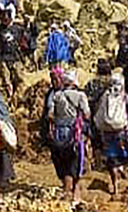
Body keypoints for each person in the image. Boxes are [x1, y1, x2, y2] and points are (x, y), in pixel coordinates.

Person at [42, 69, 90, 203]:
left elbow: (50, 115)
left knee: (63, 160)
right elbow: (87, 114)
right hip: (74, 134)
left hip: (59, 133)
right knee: (76, 161)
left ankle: (68, 189)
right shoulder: (80, 96)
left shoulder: (56, 96)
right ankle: (73, 191)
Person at [95, 72, 128, 195]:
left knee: (111, 158)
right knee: (124, 153)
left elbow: (98, 112)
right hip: (121, 131)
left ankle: (115, 186)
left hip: (106, 133)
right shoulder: (124, 96)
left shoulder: (105, 95)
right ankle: (121, 168)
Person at [0, 10, 24, 100]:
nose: (5, 19)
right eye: (3, 18)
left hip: (15, 57)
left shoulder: (17, 29)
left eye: (7, 17)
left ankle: (17, 98)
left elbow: (23, 39)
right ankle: (9, 97)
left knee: (19, 78)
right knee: (6, 80)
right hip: (3, 58)